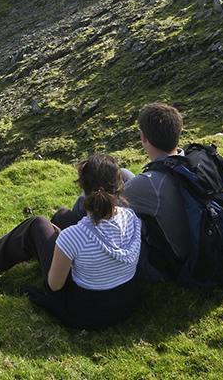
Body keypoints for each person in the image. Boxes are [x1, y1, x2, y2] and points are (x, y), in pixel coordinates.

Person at [0, 153, 142, 330]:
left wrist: (63, 246)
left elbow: (55, 286)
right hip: (125, 305)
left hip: (85, 314)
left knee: (37, 225)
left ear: (83, 190)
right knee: (63, 215)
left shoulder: (74, 236)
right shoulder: (132, 219)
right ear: (120, 186)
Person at [52, 102, 188, 281]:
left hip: (170, 265)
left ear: (143, 137)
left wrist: (86, 192)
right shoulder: (192, 163)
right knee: (122, 173)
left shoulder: (148, 184)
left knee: (65, 216)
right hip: (194, 245)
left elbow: (99, 206)